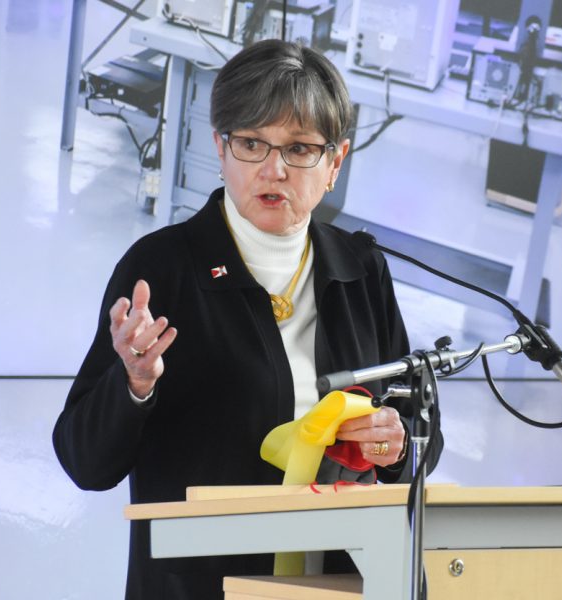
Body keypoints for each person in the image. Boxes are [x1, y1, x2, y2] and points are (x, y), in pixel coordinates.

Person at [52, 39, 440, 600]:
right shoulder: (162, 268)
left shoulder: (361, 270)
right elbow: (84, 462)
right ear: (221, 148)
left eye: (301, 149)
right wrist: (134, 385)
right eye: (252, 143)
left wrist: (395, 445)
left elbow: (417, 429)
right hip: (205, 584)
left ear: (336, 162)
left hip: (342, 577)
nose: (273, 170)